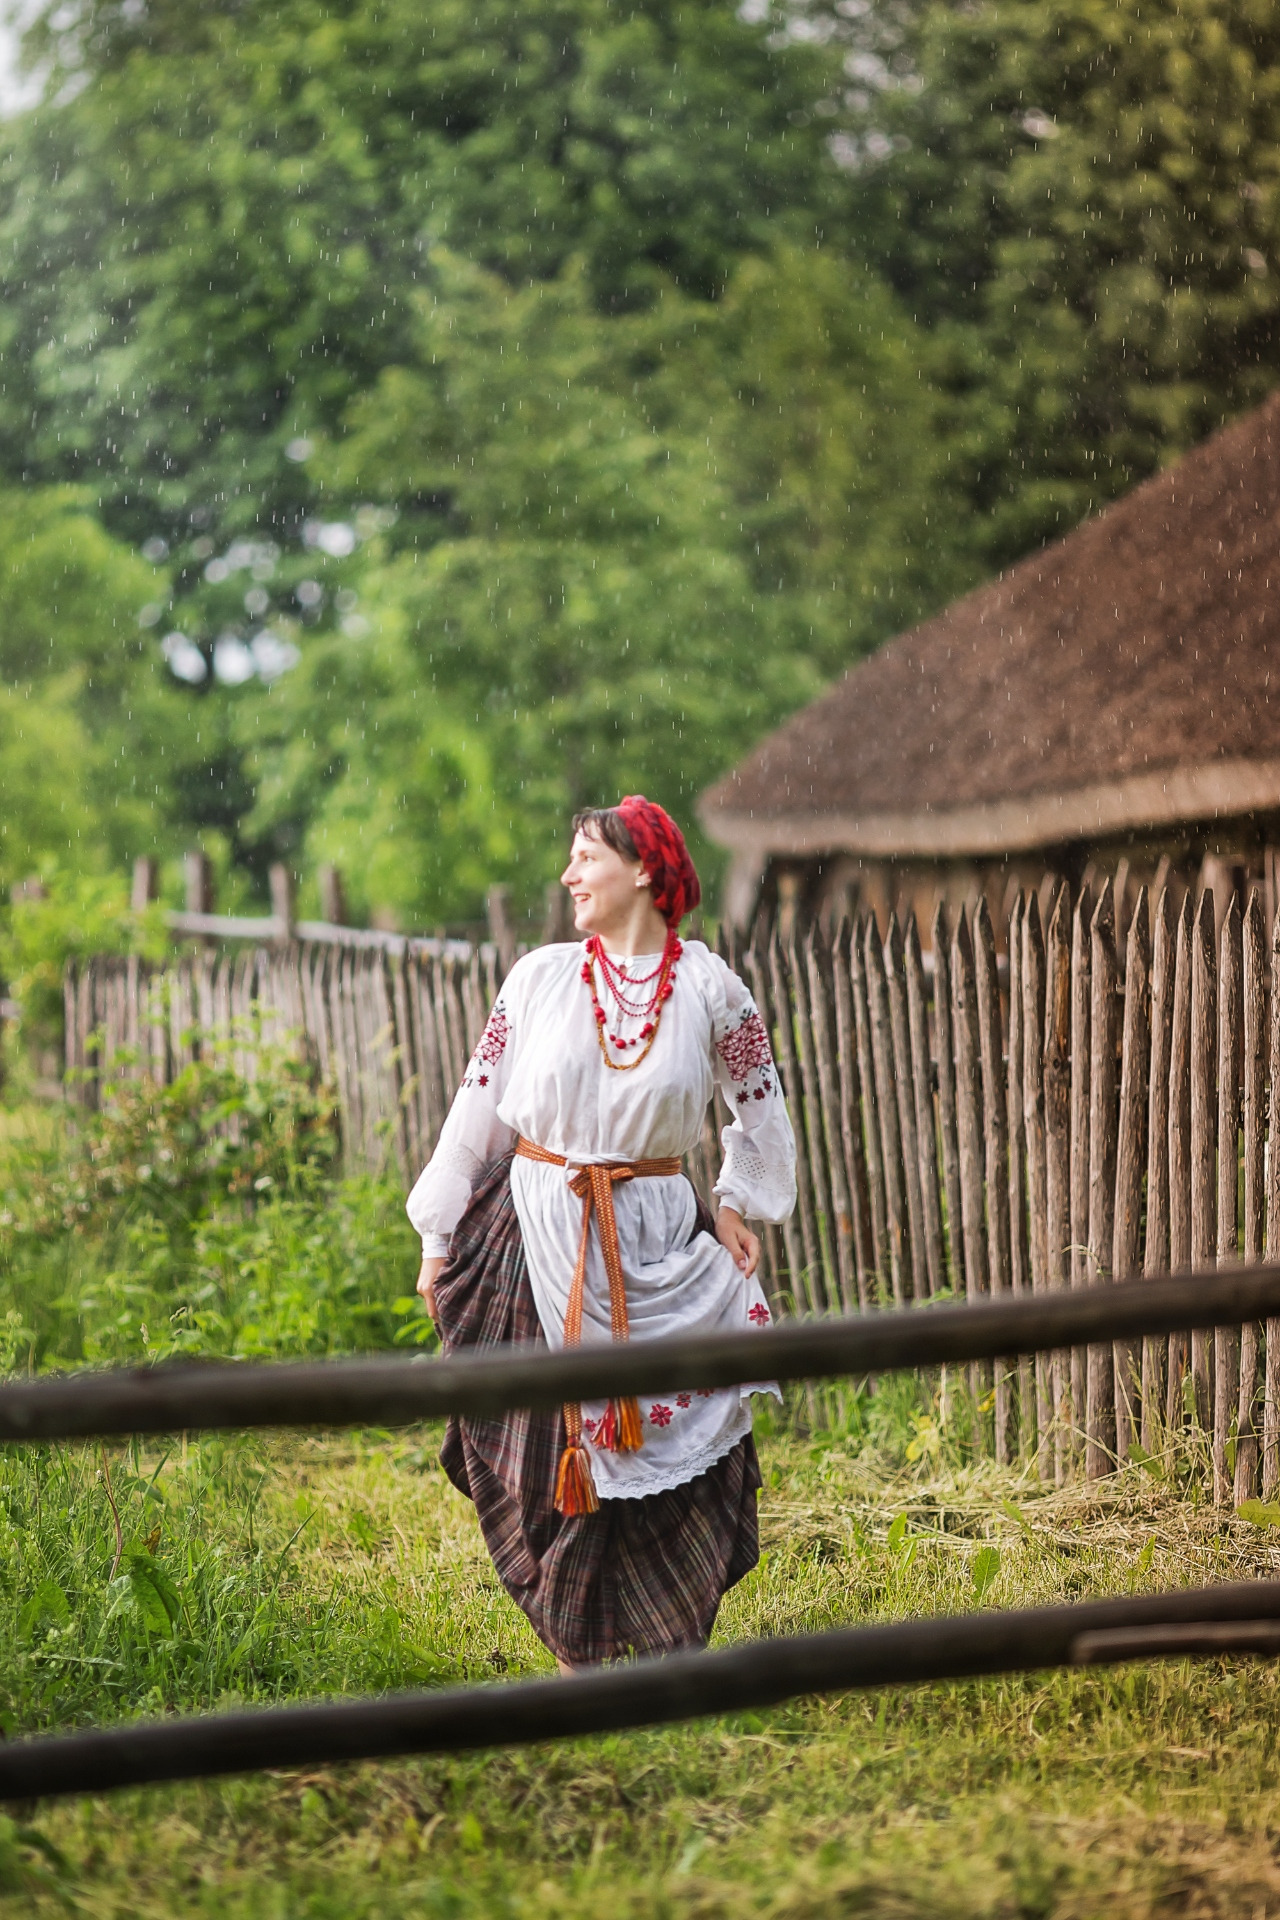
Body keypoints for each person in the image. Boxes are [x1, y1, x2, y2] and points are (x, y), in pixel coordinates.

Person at [407, 796, 796, 1670]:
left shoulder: (710, 989)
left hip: (655, 1238)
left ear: (646, 870)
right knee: (549, 1451)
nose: (568, 874)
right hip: (531, 1234)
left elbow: (761, 1107)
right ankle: (577, 1641)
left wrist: (735, 1201)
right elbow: (477, 1113)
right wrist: (440, 1234)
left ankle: (661, 1646)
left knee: (673, 1447)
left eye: (586, 857)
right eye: (572, 858)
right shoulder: (540, 979)